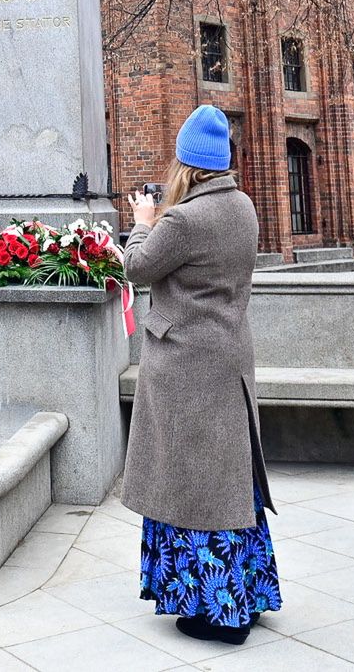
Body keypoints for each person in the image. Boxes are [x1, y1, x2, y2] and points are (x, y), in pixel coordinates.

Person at [121, 106, 281, 645]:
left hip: (186, 365)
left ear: (186, 162)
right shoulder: (242, 206)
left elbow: (137, 267)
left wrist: (144, 224)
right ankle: (247, 594)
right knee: (229, 483)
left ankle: (218, 611)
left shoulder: (184, 220)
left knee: (192, 486)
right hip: (227, 358)